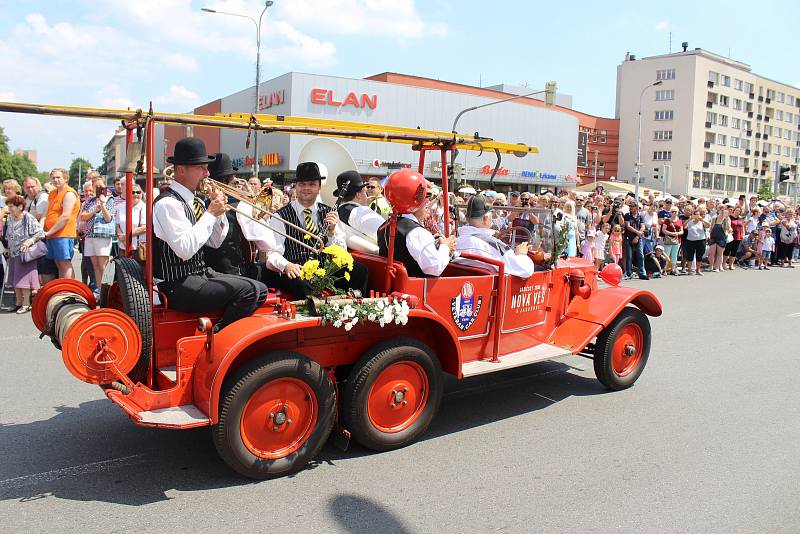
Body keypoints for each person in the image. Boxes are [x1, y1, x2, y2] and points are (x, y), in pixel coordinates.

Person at [152, 137, 268, 332]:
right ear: (181, 170)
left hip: (198, 275)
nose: (207, 174)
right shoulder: (168, 203)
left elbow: (214, 242)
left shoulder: (194, 200)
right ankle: (217, 337)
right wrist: (210, 214)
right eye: (202, 168)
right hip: (175, 285)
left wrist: (219, 215)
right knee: (249, 292)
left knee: (260, 289)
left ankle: (218, 331)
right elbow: (185, 250)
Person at [264, 162, 368, 298]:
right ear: (295, 187)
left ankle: (355, 311)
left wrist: (332, 232)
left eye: (312, 184)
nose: (306, 188)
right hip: (297, 270)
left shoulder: (330, 212)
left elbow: (341, 251)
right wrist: (287, 265)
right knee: (302, 282)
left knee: (360, 270)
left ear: (319, 188)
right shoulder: (280, 216)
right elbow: (272, 254)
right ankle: (318, 315)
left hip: (324, 270)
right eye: (302, 184)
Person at [378, 169, 454, 277]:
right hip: (417, 291)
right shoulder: (417, 233)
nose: (428, 200)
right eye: (427, 195)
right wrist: (446, 246)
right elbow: (435, 267)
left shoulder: (384, 226)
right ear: (416, 198)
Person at [202, 153, 257, 277]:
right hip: (230, 268)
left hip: (213, 266)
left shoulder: (202, 203)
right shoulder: (239, 205)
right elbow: (263, 240)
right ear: (229, 179)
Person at [454, 194, 535, 278]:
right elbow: (526, 270)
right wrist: (521, 254)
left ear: (467, 218)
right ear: (486, 219)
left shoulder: (455, 243)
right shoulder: (494, 246)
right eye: (491, 216)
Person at [3, 195, 45, 313]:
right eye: (9, 207)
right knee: (15, 279)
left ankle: (26, 304)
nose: (9, 209)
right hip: (14, 253)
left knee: (24, 281)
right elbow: (9, 235)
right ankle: (18, 303)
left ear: (20, 206)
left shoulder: (28, 217)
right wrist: (7, 247)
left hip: (26, 254)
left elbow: (40, 233)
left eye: (11, 207)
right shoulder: (10, 218)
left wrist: (29, 241)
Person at [78, 175, 116, 294]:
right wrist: (95, 211)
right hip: (90, 235)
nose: (99, 187)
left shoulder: (109, 199)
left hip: (102, 235)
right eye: (96, 186)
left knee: (103, 265)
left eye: (101, 186)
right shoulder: (89, 201)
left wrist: (102, 205)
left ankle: (107, 292)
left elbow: (108, 218)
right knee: (95, 266)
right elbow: (83, 216)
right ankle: (100, 291)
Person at [42, 168, 80, 280]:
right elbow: (47, 214)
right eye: (53, 178)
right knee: (58, 263)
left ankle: (69, 289)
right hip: (52, 235)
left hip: (63, 234)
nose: (55, 180)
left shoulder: (69, 194)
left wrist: (49, 232)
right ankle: (62, 288)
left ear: (66, 179)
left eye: (58, 177)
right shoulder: (53, 193)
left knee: (64, 263)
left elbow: (65, 216)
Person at [334, 170, 385, 241]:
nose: (366, 195)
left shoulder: (338, 210)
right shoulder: (360, 212)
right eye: (365, 192)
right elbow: (386, 234)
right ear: (358, 195)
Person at [114, 177, 146, 259]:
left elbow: (144, 227)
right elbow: (117, 225)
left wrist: (126, 236)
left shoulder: (144, 207)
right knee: (122, 270)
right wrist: (123, 239)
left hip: (138, 248)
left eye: (138, 192)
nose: (135, 194)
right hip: (122, 247)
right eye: (133, 192)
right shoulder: (120, 206)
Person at [623, 202, 647, 280]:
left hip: (638, 238)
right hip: (628, 238)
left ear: (636, 207)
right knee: (629, 256)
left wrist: (637, 236)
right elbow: (628, 226)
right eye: (630, 206)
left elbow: (643, 227)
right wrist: (638, 232)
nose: (630, 208)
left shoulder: (641, 216)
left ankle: (642, 273)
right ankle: (629, 273)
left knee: (640, 255)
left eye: (632, 206)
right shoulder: (627, 215)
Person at [684, 209, 710, 275]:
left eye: (698, 214)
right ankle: (689, 270)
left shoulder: (702, 222)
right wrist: (689, 219)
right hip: (690, 240)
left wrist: (702, 220)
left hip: (701, 240)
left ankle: (698, 270)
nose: (697, 216)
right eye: (695, 214)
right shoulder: (690, 222)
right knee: (690, 255)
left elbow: (709, 225)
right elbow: (684, 226)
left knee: (699, 255)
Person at [706, 204, 731, 272]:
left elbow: (729, 229)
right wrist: (709, 235)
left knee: (720, 253)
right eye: (721, 209)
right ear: (718, 210)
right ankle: (711, 266)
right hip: (713, 237)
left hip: (722, 238)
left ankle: (717, 267)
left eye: (724, 209)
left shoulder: (727, 219)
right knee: (711, 253)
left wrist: (725, 218)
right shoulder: (715, 218)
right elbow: (711, 228)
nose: (722, 211)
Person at [660, 207, 683, 275]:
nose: (674, 213)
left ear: (678, 212)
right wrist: (671, 233)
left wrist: (677, 233)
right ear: (670, 212)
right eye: (672, 211)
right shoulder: (667, 220)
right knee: (666, 254)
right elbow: (663, 230)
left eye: (675, 211)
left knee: (674, 255)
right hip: (668, 239)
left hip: (677, 240)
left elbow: (682, 231)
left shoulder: (679, 221)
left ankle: (673, 269)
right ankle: (664, 269)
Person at [724, 206, 745, 270]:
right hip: (730, 236)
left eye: (739, 211)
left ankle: (731, 264)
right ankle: (723, 263)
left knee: (734, 251)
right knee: (727, 250)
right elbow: (726, 226)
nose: (738, 212)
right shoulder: (729, 217)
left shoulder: (740, 218)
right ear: (734, 210)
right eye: (736, 210)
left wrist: (743, 234)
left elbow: (742, 227)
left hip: (738, 237)